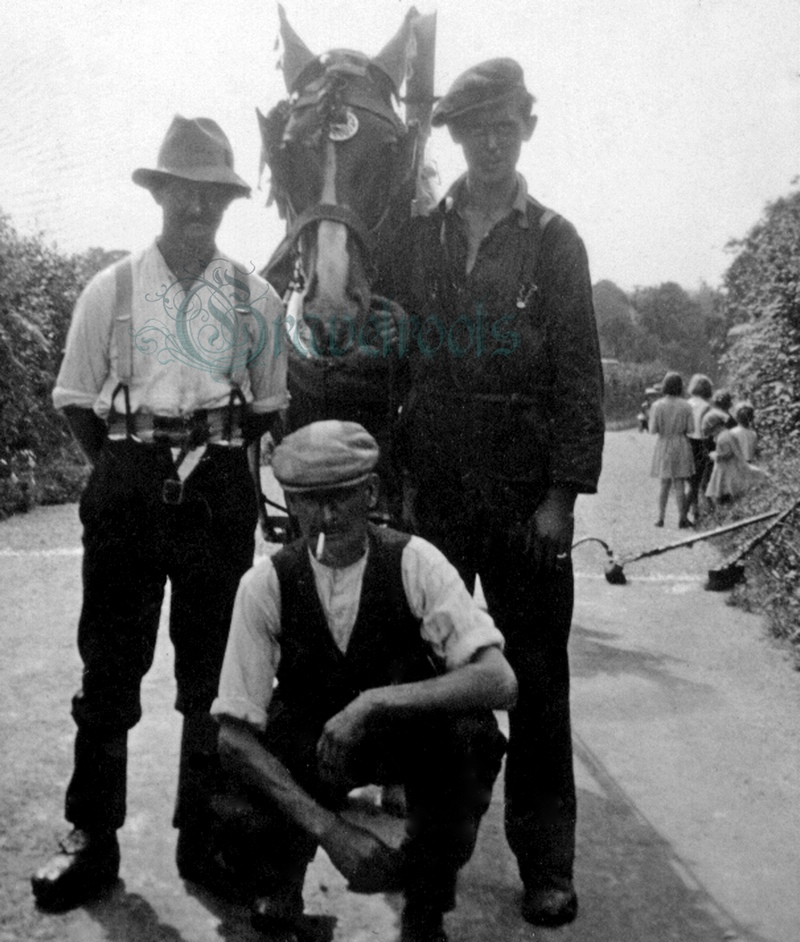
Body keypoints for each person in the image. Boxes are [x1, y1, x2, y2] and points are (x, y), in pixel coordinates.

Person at [31, 115, 288, 911]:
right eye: (184, 190)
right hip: (129, 484)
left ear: (227, 201)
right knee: (109, 662)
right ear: (160, 192)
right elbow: (76, 401)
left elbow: (270, 407)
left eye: (214, 194)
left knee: (213, 673)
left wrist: (206, 455)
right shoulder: (110, 289)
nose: (198, 207)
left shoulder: (256, 298)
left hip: (218, 485)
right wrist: (128, 461)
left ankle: (201, 836)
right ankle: (92, 837)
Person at [388, 59, 605, 926]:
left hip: (523, 500)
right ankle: (431, 855)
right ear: (454, 137)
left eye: (506, 122)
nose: (491, 138)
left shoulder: (556, 240)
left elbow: (580, 380)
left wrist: (561, 499)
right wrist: (397, 483)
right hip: (435, 488)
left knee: (539, 683)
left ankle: (546, 863)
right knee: (436, 673)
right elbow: (392, 360)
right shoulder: (416, 239)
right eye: (475, 124)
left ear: (526, 128)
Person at [211, 420, 516, 942]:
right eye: (310, 500)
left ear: (371, 492)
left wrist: (376, 702)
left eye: (343, 497)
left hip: (405, 738)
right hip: (317, 741)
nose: (328, 515)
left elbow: (499, 680)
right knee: (242, 778)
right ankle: (280, 886)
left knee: (471, 738)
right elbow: (232, 736)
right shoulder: (265, 584)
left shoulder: (415, 560)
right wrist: (331, 831)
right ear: (289, 501)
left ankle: (424, 902)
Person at [649, 371, 694, 528]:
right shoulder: (686, 406)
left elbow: (653, 430)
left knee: (664, 483)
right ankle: (682, 517)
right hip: (681, 443)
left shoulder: (657, 405)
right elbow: (690, 429)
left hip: (664, 443)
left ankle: (660, 517)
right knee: (680, 482)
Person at [705, 411, 767, 505]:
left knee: (726, 489)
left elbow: (727, 453)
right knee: (730, 489)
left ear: (717, 427)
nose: (712, 433)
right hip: (733, 464)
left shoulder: (723, 437)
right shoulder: (727, 434)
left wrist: (715, 455)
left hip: (728, 467)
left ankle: (728, 508)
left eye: (712, 430)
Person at [685, 374, 714, 523]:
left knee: (691, 480)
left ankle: (694, 509)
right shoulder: (707, 406)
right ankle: (687, 511)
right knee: (698, 478)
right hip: (701, 443)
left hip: (687, 442)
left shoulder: (687, 404)